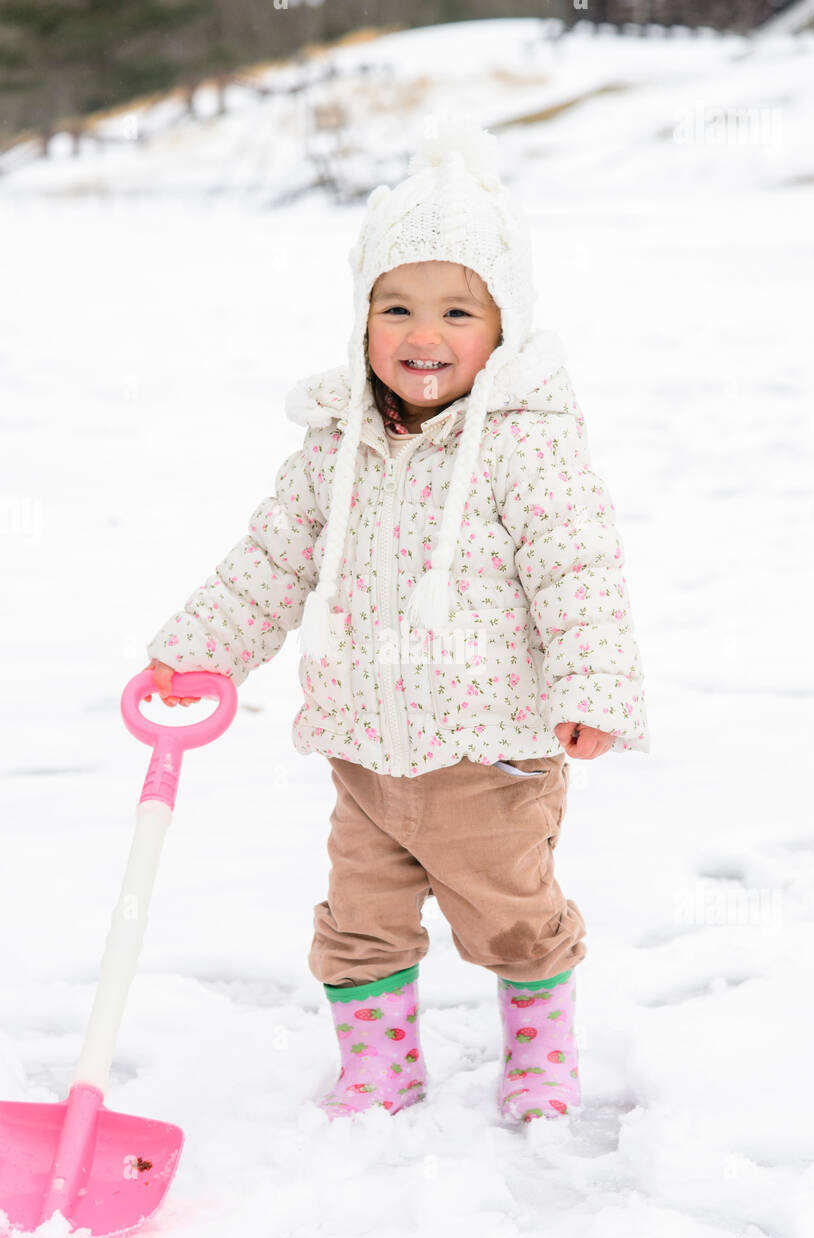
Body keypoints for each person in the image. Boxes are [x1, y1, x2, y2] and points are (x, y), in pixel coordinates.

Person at [144, 118, 650, 1125]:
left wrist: (590, 688)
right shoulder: (336, 448)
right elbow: (272, 560)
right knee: (358, 924)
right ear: (362, 319)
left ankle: (540, 1058)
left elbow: (578, 571)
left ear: (503, 329)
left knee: (514, 919)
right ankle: (380, 1067)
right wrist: (195, 654)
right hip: (364, 756)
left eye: (458, 310)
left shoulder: (525, 447)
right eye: (397, 307)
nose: (424, 336)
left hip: (490, 759)